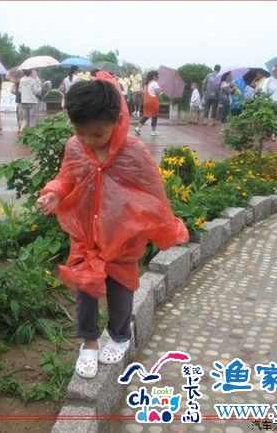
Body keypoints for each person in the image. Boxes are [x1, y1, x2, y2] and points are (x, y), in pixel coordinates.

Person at [36, 73, 189, 379]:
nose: (88, 141)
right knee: (85, 288)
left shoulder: (133, 151)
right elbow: (67, 177)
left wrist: (166, 228)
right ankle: (89, 343)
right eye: (80, 132)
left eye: (97, 134)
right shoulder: (75, 147)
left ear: (117, 120)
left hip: (122, 237)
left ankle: (119, 336)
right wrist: (54, 193)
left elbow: (153, 192)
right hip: (86, 235)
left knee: (121, 290)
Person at [134, 71, 162, 137]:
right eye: (157, 76)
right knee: (154, 116)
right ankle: (153, 131)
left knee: (146, 115)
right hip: (152, 102)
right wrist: (162, 88)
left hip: (146, 101)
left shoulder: (146, 84)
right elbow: (157, 93)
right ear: (154, 76)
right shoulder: (154, 83)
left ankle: (138, 128)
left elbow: (146, 92)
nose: (158, 77)